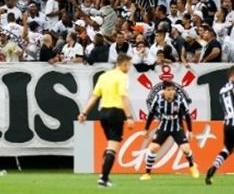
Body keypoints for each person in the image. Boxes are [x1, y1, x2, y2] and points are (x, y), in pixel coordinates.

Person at [77, 54, 135, 187]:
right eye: (129, 65)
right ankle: (103, 178)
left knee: (109, 145)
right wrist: (129, 117)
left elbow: (94, 96)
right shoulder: (123, 77)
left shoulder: (104, 76)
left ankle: (104, 175)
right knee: (112, 147)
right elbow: (123, 97)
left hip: (103, 113)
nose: (129, 68)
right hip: (116, 113)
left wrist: (84, 112)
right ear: (123, 64)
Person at [140, 80, 199, 180]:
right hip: (163, 126)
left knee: (186, 149)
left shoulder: (180, 99)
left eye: (172, 89)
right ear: (163, 91)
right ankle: (147, 174)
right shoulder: (158, 98)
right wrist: (146, 129)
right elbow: (151, 114)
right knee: (153, 148)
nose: (171, 92)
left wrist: (190, 131)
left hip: (177, 127)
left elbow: (187, 115)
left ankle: (192, 166)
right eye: (168, 90)